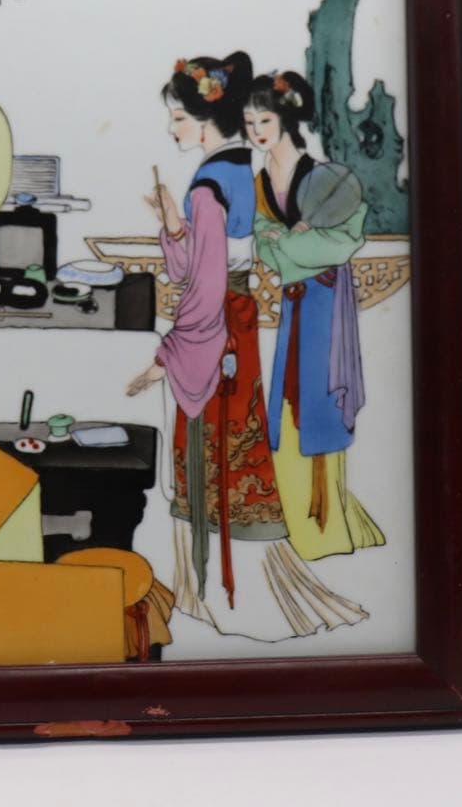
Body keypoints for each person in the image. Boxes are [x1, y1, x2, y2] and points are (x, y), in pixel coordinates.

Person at [127, 53, 367, 641]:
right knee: (241, 449)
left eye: (179, 118)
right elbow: (202, 263)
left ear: (206, 120)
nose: (172, 130)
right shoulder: (241, 169)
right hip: (237, 324)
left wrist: (168, 356)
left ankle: (221, 596)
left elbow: (202, 282)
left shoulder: (211, 186)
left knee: (212, 451)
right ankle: (225, 591)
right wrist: (173, 223)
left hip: (215, 328)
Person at [245, 71, 385, 561]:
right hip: (295, 296)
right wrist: (283, 247)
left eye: (264, 120)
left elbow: (346, 239)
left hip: (324, 296)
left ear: (285, 119)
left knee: (320, 398)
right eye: (249, 123)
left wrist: (287, 247)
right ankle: (298, 517)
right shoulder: (261, 179)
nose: (256, 131)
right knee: (288, 396)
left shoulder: (324, 176)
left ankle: (326, 528)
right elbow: (261, 240)